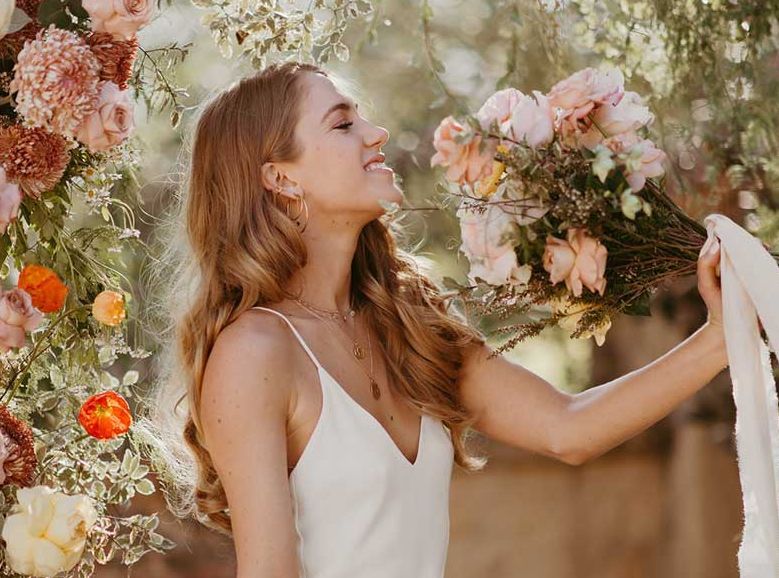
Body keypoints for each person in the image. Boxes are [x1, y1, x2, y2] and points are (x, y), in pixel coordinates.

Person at [144, 61, 727, 578]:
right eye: (343, 125)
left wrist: (720, 339)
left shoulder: (409, 323)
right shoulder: (256, 352)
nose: (377, 134)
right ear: (280, 177)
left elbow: (567, 429)